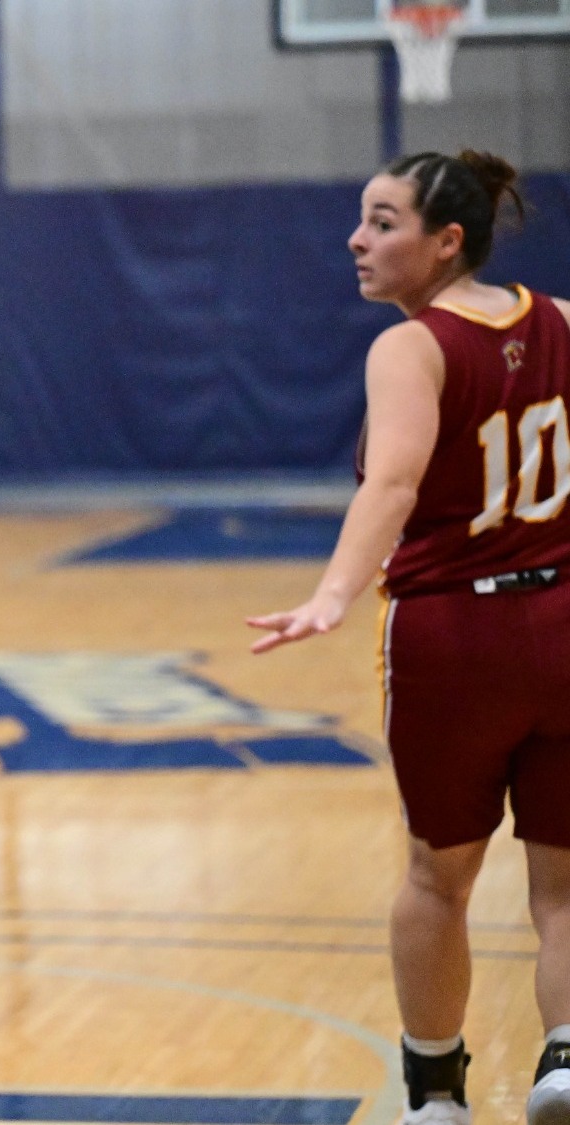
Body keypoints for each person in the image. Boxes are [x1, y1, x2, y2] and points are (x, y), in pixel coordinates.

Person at [248, 150, 570, 1125]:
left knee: (437, 875)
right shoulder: (558, 320)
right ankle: (562, 1058)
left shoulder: (410, 347)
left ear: (444, 242)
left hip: (452, 638)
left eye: (381, 222)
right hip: (562, 625)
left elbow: (389, 485)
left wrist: (333, 593)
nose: (356, 238)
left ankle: (434, 1094)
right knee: (560, 877)